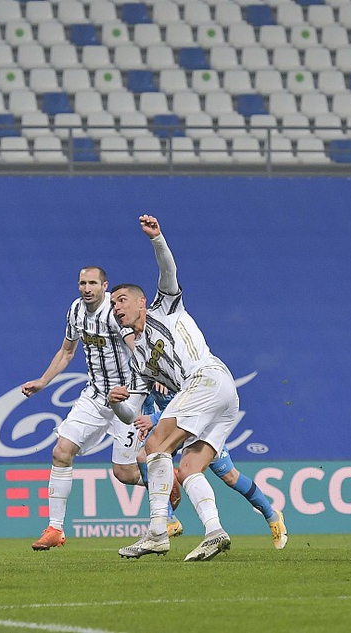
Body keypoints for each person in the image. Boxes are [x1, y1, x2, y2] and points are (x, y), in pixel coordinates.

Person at [108, 214, 240, 562]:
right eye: (113, 304)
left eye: (121, 300)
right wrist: (115, 402)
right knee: (191, 467)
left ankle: (156, 533)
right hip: (220, 394)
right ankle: (215, 531)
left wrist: (157, 238)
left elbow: (168, 270)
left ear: (140, 302)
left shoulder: (163, 309)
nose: (117, 307)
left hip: (206, 377)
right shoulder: (139, 360)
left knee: (155, 445)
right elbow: (130, 413)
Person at [22, 266, 148, 551]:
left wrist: (148, 381)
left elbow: (137, 348)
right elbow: (67, 351)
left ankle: (163, 480)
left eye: (92, 283)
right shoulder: (76, 310)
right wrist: (43, 381)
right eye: (82, 283)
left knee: (125, 474)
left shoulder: (114, 313)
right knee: (61, 451)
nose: (86, 288)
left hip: (126, 397)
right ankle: (55, 528)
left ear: (104, 286)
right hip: (95, 395)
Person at [137, 390, 288, 549]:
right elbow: (148, 404)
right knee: (143, 457)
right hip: (174, 428)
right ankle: (169, 519)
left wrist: (154, 418)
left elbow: (193, 403)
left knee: (230, 476)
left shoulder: (180, 377)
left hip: (201, 426)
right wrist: (149, 426)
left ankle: (272, 516)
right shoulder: (149, 379)